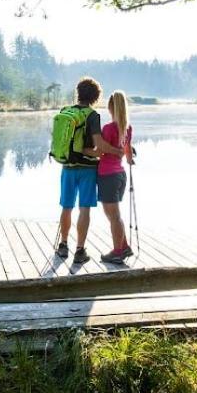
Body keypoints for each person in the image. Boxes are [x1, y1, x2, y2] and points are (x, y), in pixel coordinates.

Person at [55, 77, 126, 265]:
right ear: (95, 97)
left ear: (78, 93)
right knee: (84, 208)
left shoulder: (66, 111)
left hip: (67, 166)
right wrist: (117, 151)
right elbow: (100, 145)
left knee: (67, 207)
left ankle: (63, 246)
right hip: (87, 169)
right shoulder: (92, 115)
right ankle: (80, 250)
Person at [97, 90, 134, 264]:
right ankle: (124, 246)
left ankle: (118, 251)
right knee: (114, 215)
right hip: (120, 175)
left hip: (108, 175)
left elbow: (101, 151)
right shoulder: (127, 127)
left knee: (114, 216)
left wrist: (83, 150)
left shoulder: (108, 128)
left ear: (111, 107)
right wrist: (129, 159)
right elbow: (127, 151)